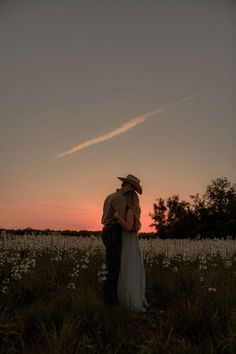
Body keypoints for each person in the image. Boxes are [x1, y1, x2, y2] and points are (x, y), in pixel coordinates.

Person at [101, 174, 142, 305]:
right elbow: (127, 225)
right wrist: (136, 223)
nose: (133, 192)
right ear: (129, 186)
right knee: (113, 267)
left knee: (110, 265)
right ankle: (111, 301)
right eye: (133, 189)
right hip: (114, 231)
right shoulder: (121, 200)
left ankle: (110, 297)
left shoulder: (110, 196)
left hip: (107, 230)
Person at [114, 189, 148, 313]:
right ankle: (130, 298)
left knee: (128, 269)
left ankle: (130, 301)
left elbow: (128, 227)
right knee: (131, 268)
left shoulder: (129, 210)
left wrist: (118, 218)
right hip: (132, 242)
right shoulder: (135, 212)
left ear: (129, 199)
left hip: (128, 241)